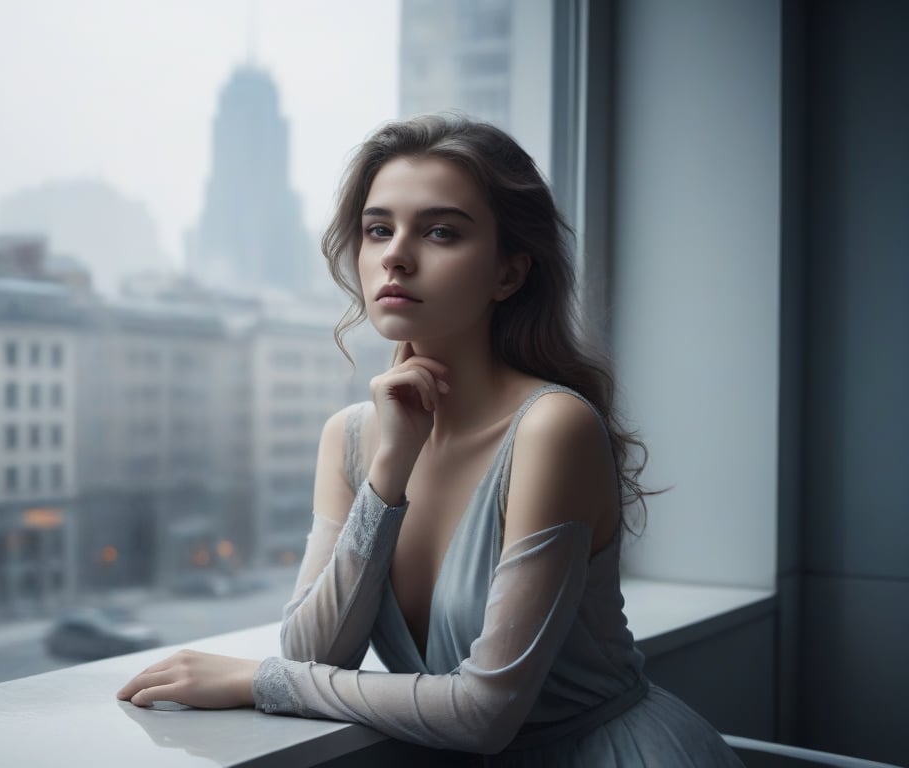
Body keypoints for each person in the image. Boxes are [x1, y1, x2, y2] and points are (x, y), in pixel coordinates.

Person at [118, 114, 744, 765]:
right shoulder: (354, 438)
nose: (395, 254)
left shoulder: (553, 428)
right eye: (378, 229)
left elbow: (483, 714)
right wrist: (389, 470)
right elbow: (313, 651)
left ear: (508, 274)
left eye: (441, 231)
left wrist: (258, 680)